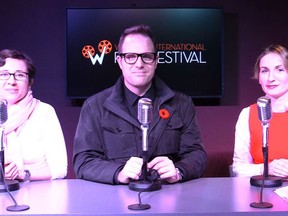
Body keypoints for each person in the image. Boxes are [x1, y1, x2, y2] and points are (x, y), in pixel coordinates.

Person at [73, 24, 207, 185]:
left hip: (169, 199)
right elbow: (83, 161)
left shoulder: (182, 104)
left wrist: (179, 170)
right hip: (115, 202)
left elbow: (197, 155)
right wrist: (118, 173)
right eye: (130, 56)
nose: (139, 64)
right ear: (119, 61)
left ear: (156, 61)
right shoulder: (94, 106)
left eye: (146, 56)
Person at [0, 49, 67, 181]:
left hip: (36, 194)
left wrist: (22, 174)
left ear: (30, 81)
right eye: (4, 74)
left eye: (19, 75)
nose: (11, 81)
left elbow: (59, 168)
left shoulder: (44, 112)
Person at [232, 44, 288, 178]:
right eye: (264, 71)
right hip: (261, 193)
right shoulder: (248, 114)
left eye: (279, 70)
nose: (270, 78)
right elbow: (238, 168)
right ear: (259, 78)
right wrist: (266, 169)